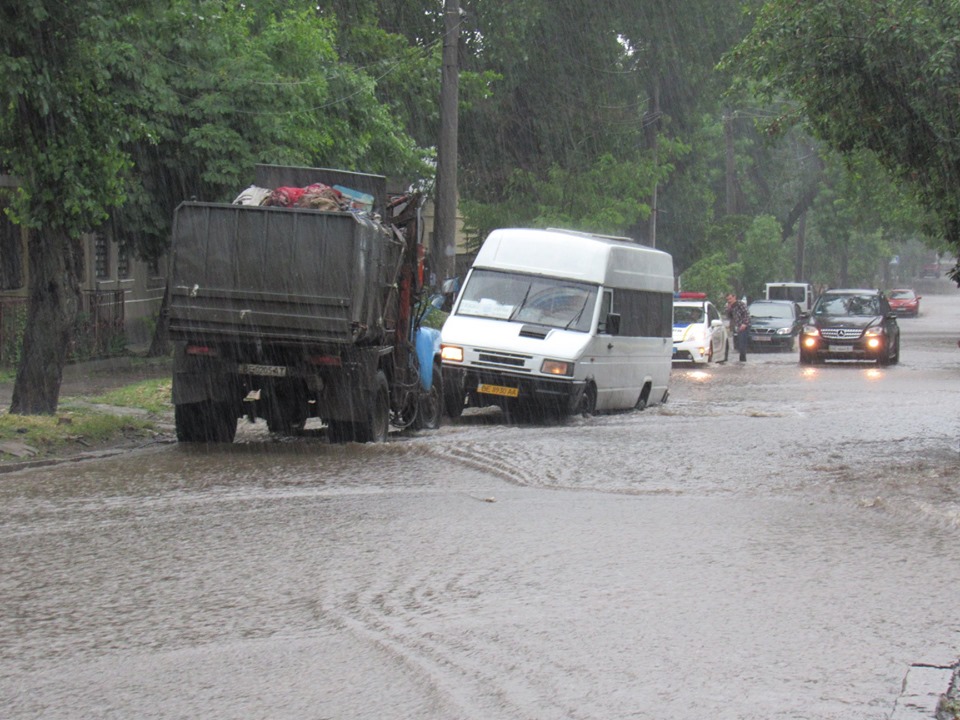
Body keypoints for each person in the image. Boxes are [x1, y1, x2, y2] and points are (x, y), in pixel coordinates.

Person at [726, 293, 750, 362]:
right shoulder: (729, 306)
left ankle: (742, 361)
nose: (729, 301)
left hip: (744, 326)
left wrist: (744, 323)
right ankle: (741, 361)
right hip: (737, 327)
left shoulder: (741, 304)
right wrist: (729, 309)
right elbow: (729, 317)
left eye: (730, 299)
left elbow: (747, 314)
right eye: (727, 299)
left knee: (742, 346)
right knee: (738, 346)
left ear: (734, 297)